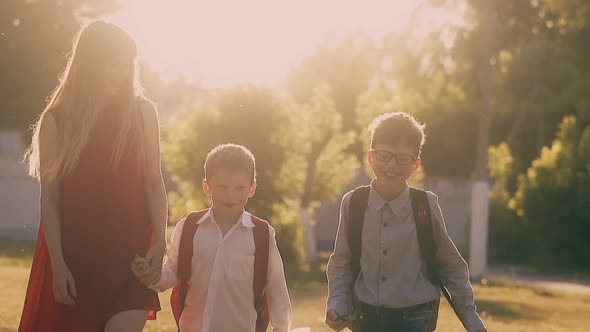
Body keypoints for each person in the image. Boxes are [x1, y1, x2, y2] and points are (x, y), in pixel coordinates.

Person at [18, 20, 167, 332]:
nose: (122, 74)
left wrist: (159, 244)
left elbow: (154, 182)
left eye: (128, 66)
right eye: (113, 65)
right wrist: (58, 265)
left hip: (131, 264)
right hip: (76, 264)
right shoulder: (57, 121)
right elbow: (51, 198)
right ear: (90, 64)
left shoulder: (143, 113)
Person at [325, 112, 486, 332]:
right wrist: (337, 303)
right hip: (364, 317)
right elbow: (341, 262)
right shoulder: (353, 203)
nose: (392, 165)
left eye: (402, 159)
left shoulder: (425, 206)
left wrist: (471, 319)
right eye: (384, 156)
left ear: (415, 164)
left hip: (416, 318)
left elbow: (451, 266)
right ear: (371, 157)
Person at [132, 143, 292, 332]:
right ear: (207, 187)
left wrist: (281, 329)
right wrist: (152, 276)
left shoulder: (262, 234)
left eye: (239, 187)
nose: (230, 195)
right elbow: (173, 272)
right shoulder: (189, 227)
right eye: (222, 187)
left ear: (252, 189)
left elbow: (277, 290)